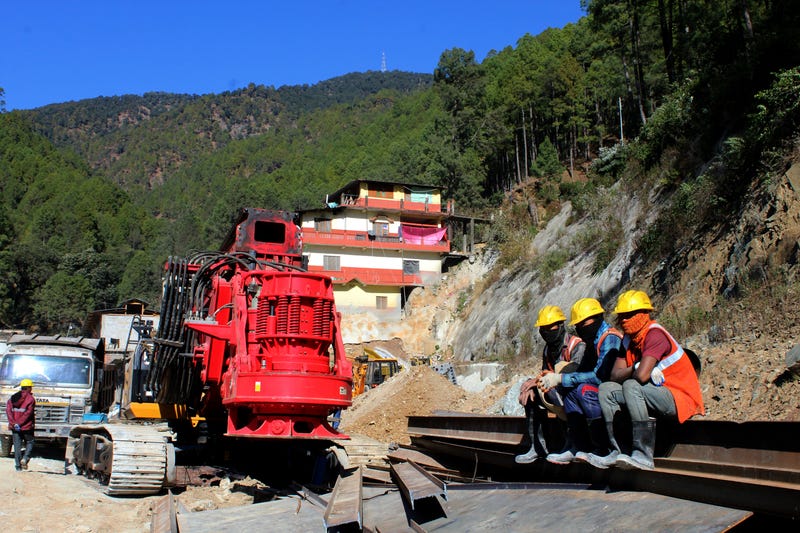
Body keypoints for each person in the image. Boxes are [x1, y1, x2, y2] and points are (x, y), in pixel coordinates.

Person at [590, 290, 704, 470]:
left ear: (644, 314)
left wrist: (635, 370)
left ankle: (643, 454)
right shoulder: (628, 339)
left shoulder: (655, 334)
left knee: (631, 385)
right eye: (622, 316)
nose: (624, 320)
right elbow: (614, 375)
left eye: (629, 315)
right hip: (654, 392)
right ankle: (618, 450)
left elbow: (641, 376)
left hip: (678, 397)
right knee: (606, 389)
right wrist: (635, 366)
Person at [539, 298, 623, 465]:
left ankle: (601, 447)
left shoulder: (609, 338)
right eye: (578, 325)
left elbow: (600, 375)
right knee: (570, 390)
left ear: (597, 317)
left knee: (582, 390)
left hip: (613, 389)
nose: (580, 328)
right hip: (600, 387)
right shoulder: (592, 340)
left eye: (584, 323)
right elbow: (582, 370)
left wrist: (561, 378)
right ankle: (578, 446)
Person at [515, 305, 585, 464]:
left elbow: (575, 373)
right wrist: (534, 385)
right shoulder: (548, 349)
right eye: (543, 328)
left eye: (550, 327)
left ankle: (572, 444)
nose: (546, 331)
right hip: (555, 390)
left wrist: (540, 381)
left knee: (558, 393)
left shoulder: (577, 345)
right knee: (532, 396)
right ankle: (538, 447)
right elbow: (544, 372)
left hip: (572, 392)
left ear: (561, 326)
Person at [6, 378, 36, 471]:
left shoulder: (13, 397)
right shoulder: (30, 399)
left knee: (17, 446)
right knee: (30, 442)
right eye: (30, 387)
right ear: (28, 388)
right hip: (26, 427)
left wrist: (13, 423)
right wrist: (19, 423)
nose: (31, 389)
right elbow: (28, 413)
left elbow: (8, 411)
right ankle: (25, 458)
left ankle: (18, 467)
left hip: (14, 427)